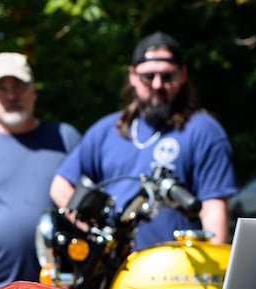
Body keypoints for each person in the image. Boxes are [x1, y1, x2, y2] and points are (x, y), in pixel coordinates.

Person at [50, 31, 236, 248]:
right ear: (132, 76)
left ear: (183, 75)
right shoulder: (106, 130)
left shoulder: (202, 130)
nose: (157, 85)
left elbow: (213, 209)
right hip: (113, 272)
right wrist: (94, 234)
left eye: (167, 76)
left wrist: (213, 270)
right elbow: (60, 186)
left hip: (177, 271)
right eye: (148, 77)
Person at [0, 52, 82, 289]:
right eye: (1, 89)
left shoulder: (65, 138)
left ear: (33, 91)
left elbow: (89, 208)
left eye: (18, 86)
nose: (11, 96)